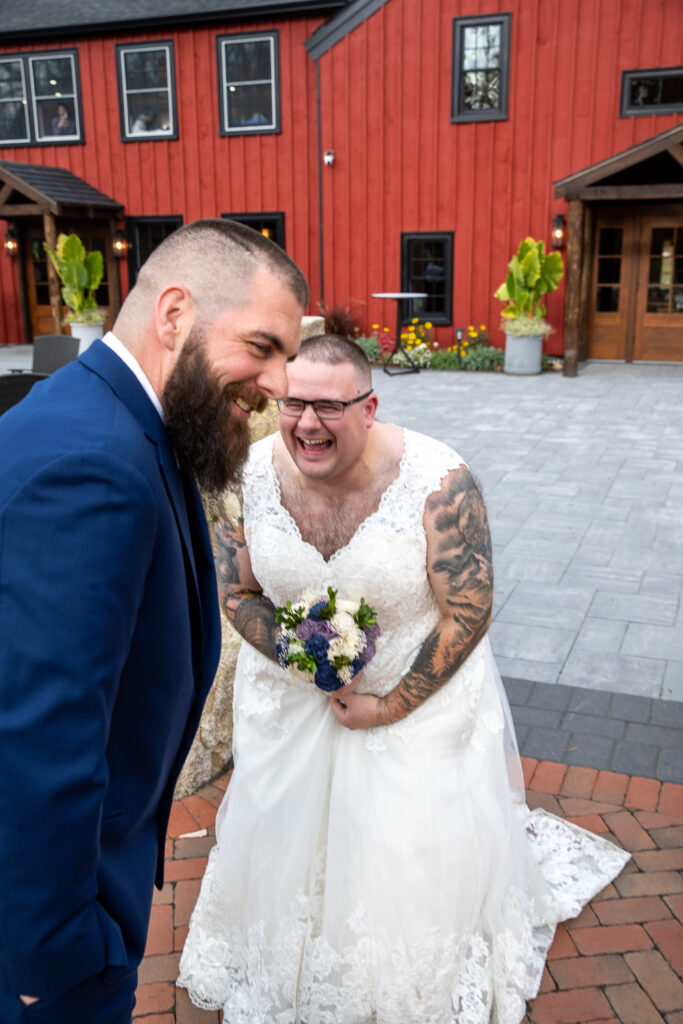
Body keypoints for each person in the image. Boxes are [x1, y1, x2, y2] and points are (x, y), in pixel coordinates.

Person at [178, 334, 630, 1023]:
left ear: (369, 407)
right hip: (290, 698)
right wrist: (303, 656)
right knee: (282, 847)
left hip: (411, 701)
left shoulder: (439, 484)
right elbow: (236, 592)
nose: (307, 423)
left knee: (394, 863)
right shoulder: (249, 474)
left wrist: (389, 706)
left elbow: (468, 611)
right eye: (294, 403)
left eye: (329, 407)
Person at [0, 218, 308, 1024]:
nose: (280, 383)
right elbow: (38, 738)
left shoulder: (120, 420)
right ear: (173, 314)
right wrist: (53, 961)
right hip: (51, 953)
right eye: (263, 346)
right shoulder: (94, 462)